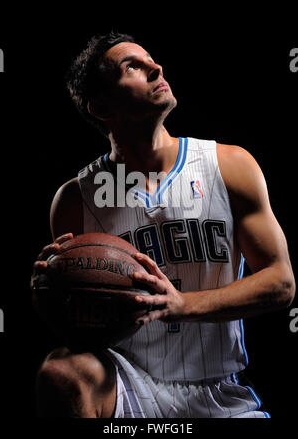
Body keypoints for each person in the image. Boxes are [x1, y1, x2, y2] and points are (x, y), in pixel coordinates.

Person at [31, 32, 295, 418]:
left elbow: (281, 282)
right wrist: (49, 291)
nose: (156, 67)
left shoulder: (229, 165)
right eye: (131, 67)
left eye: (150, 59)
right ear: (102, 107)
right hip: (127, 385)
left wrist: (182, 304)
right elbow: (82, 321)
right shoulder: (76, 199)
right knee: (62, 371)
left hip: (218, 390)